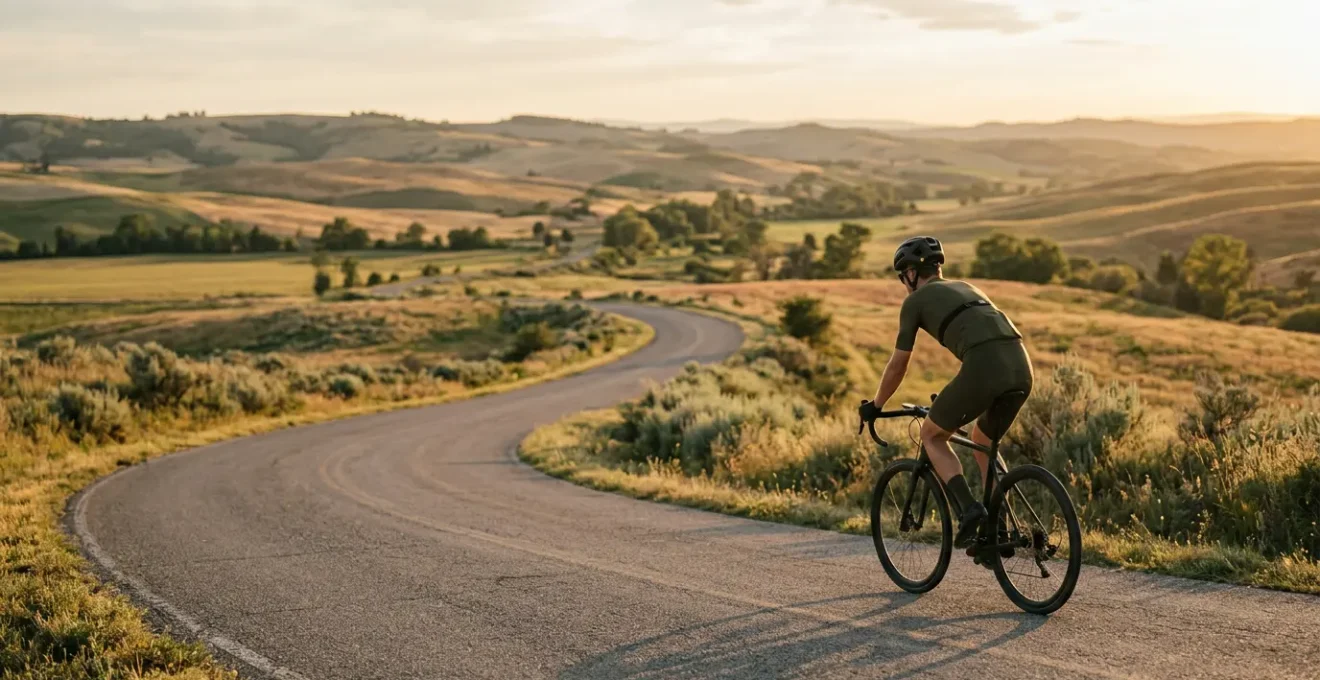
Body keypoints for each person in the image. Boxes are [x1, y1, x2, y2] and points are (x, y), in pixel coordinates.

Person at [860, 236, 1034, 551]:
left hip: (984, 366)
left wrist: (876, 405)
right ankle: (1001, 533)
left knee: (931, 435)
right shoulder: (968, 287)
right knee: (983, 443)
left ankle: (970, 509)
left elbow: (899, 364)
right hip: (1022, 365)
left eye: (903, 276)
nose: (903, 283)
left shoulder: (914, 302)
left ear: (911, 273)